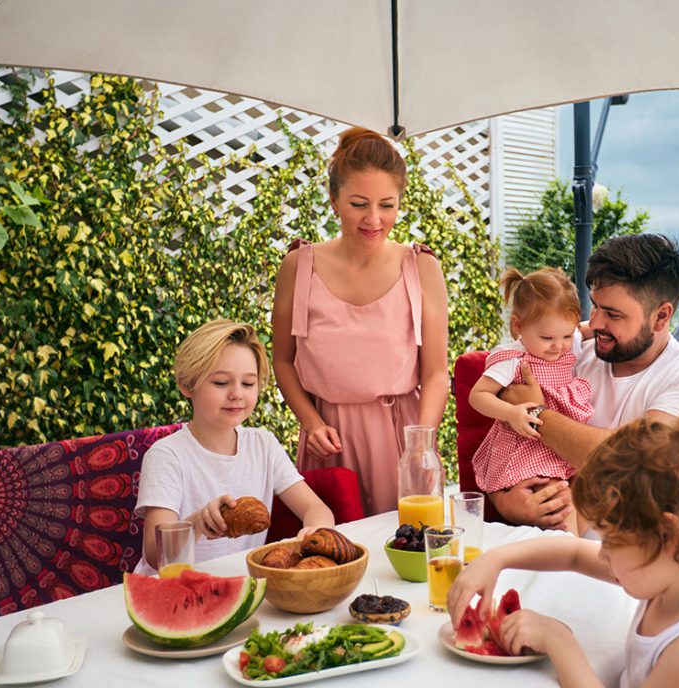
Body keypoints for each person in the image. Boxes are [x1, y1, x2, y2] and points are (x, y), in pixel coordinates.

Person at [447, 414, 679, 688]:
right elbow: (573, 554)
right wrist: (495, 559)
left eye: (610, 541)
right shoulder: (671, 573)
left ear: (668, 535)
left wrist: (559, 641)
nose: (601, 553)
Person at [491, 233, 679, 529]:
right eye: (594, 306)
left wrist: (536, 413)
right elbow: (502, 434)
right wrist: (503, 501)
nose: (595, 323)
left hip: (645, 562)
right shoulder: (572, 354)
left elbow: (634, 461)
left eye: (612, 314)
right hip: (555, 551)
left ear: (661, 316)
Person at [272, 127, 450, 516]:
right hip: (328, 442)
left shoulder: (421, 266)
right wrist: (311, 422)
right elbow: (282, 361)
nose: (374, 219)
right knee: (332, 562)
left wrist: (421, 445)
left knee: (405, 557)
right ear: (334, 200)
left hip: (401, 440)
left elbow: (437, 373)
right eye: (358, 204)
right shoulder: (298, 266)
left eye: (387, 205)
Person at [134, 319, 334, 575]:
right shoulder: (166, 456)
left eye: (248, 384)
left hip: (239, 585)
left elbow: (316, 509)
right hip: (171, 588)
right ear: (186, 384)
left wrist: (312, 532)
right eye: (220, 383)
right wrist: (198, 523)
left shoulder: (263, 445)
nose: (237, 394)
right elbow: (155, 555)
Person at [468, 268, 592, 534]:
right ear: (518, 327)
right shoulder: (513, 358)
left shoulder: (570, 340)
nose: (558, 346)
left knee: (581, 504)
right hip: (525, 447)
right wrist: (511, 413)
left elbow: (586, 329)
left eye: (567, 336)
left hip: (560, 444)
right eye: (547, 338)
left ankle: (572, 559)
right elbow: (478, 396)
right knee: (561, 508)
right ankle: (568, 560)